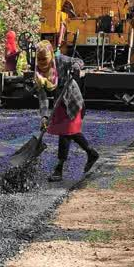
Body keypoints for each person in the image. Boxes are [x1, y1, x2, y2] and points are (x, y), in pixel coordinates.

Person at [34, 40, 99, 182]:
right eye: (40, 60)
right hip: (59, 102)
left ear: (51, 56)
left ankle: (59, 169)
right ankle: (91, 153)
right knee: (68, 133)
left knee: (66, 133)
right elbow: (42, 97)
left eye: (45, 60)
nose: (43, 63)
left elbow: (79, 61)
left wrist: (75, 66)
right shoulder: (38, 73)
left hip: (72, 101)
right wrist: (44, 116)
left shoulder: (60, 60)